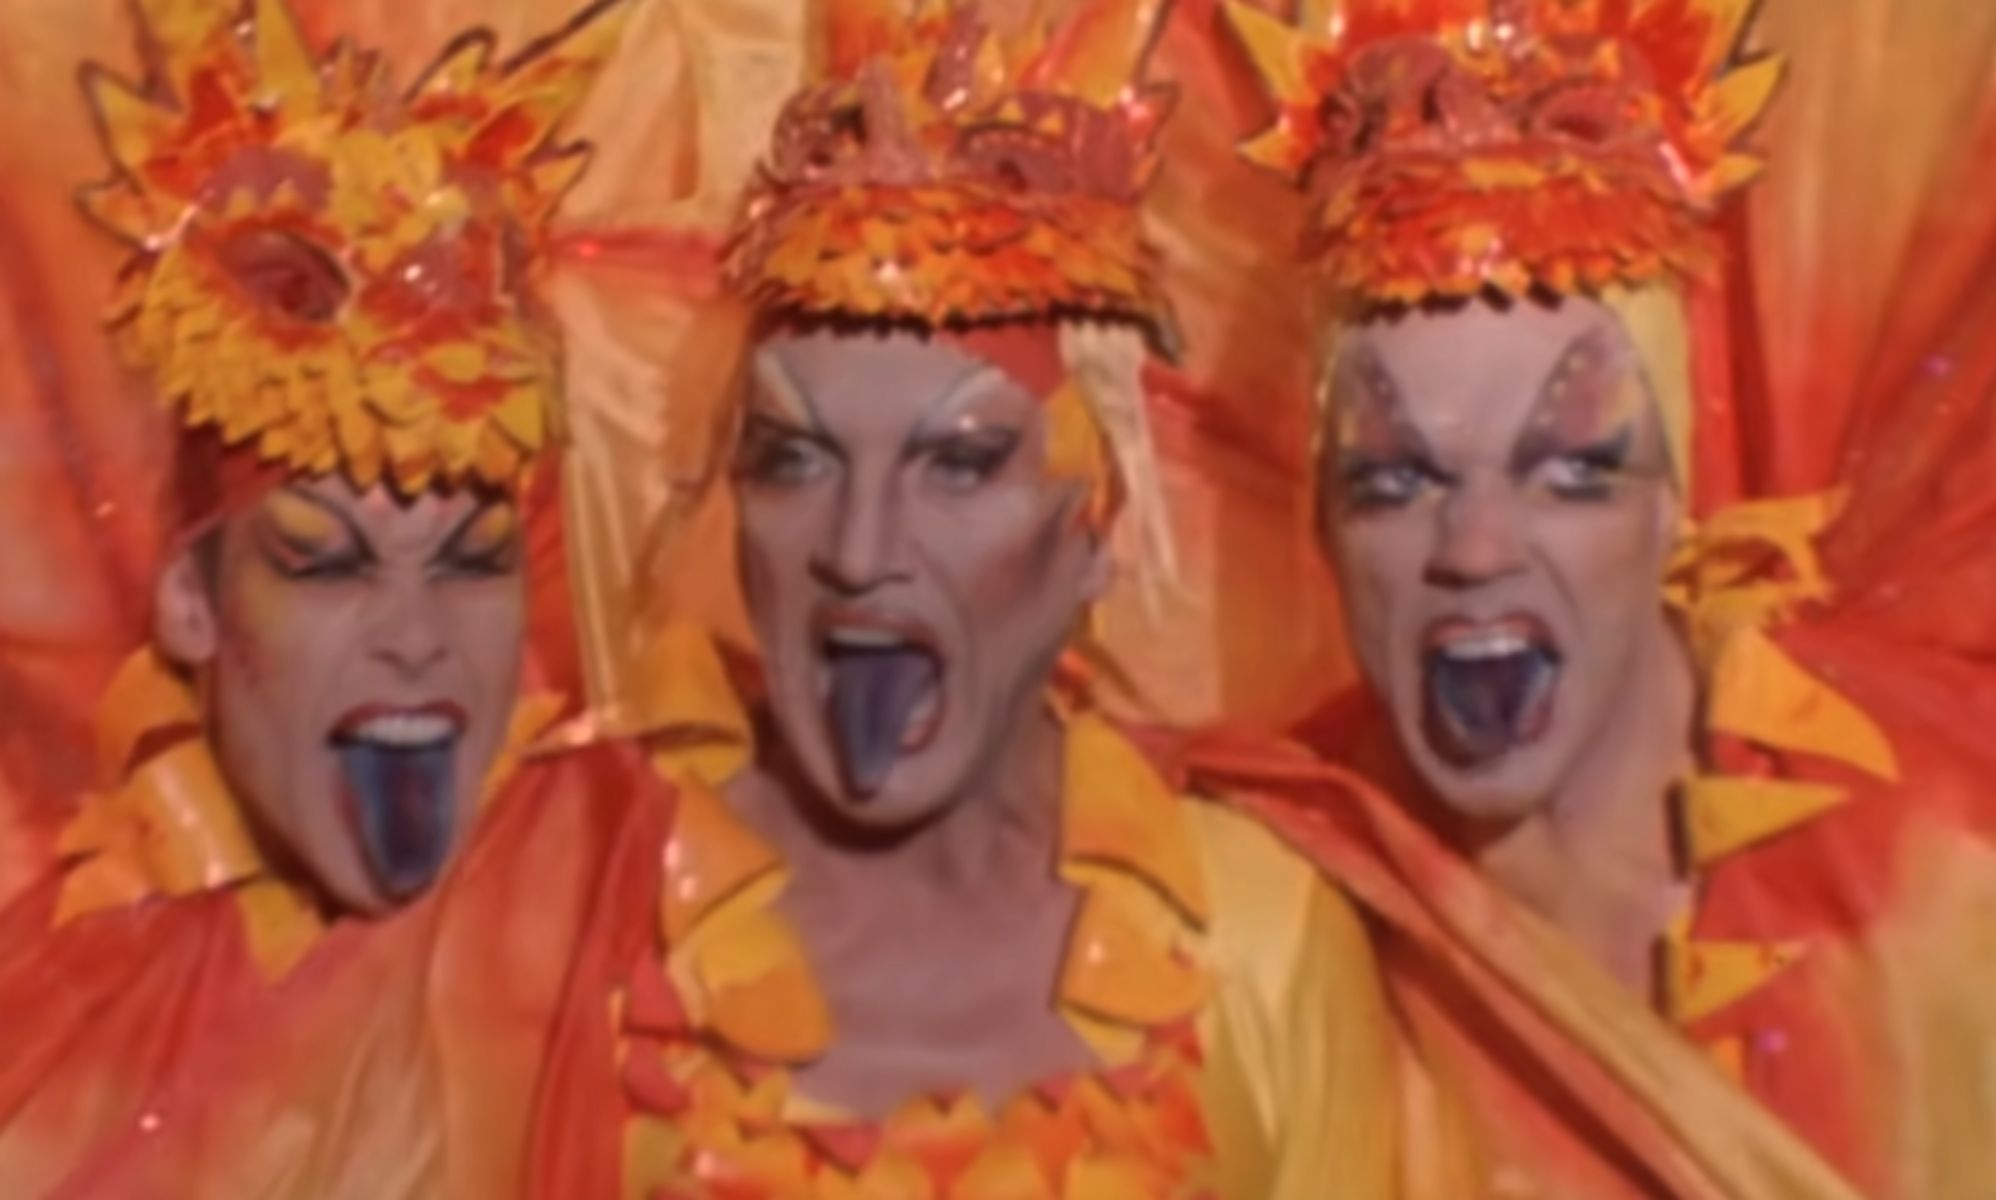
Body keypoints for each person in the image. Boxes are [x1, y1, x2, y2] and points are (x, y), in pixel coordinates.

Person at [524, 0, 1413, 1194]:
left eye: (958, 464)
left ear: (1090, 527)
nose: (859, 546)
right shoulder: (572, 908)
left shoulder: (1259, 937)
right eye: (799, 459)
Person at [1220, 0, 1996, 1194]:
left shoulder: (1943, 855)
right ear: (1320, 520)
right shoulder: (1261, 905)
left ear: (1669, 503)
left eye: (1570, 469)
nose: (1474, 550)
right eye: (1395, 479)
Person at [0, 0, 681, 1191]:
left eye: (470, 561)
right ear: (191, 605)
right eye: (326, 562)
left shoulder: (653, 916)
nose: (417, 638)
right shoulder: (62, 1007)